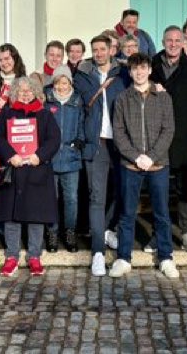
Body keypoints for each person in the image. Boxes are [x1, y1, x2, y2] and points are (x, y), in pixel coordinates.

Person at [108, 53, 179, 278]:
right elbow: (118, 133)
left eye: (143, 68)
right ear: (130, 72)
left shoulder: (163, 97)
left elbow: (168, 130)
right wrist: (135, 156)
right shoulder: (122, 99)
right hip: (130, 165)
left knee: (161, 213)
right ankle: (123, 257)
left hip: (158, 164)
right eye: (135, 69)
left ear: (149, 70)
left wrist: (152, 156)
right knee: (127, 213)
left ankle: (166, 257)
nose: (139, 72)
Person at [0, 76, 61, 277]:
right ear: (14, 92)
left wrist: (39, 156)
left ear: (36, 92)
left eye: (29, 90)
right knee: (11, 218)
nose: (25, 93)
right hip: (13, 171)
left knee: (35, 218)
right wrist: (9, 155)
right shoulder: (7, 113)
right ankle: (11, 256)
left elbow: (54, 139)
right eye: (21, 90)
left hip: (36, 171)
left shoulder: (45, 114)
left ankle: (34, 256)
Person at [150, 26, 187, 255]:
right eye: (169, 40)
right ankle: (159, 233)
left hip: (185, 135)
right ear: (163, 41)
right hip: (156, 136)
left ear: (184, 43)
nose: (173, 44)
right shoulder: (152, 65)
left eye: (177, 40)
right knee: (159, 187)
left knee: (185, 187)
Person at [73, 35, 129, 276]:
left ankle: (104, 229)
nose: (98, 53)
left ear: (110, 50)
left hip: (122, 143)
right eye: (94, 50)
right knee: (97, 196)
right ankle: (97, 251)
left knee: (122, 192)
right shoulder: (83, 77)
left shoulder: (123, 75)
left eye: (102, 49)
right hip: (96, 144)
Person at [44, 65, 85, 253]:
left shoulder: (77, 101)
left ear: (70, 83)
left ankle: (70, 232)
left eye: (65, 82)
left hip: (70, 157)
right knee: (51, 198)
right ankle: (52, 232)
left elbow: (82, 124)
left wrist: (79, 141)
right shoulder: (47, 100)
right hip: (50, 158)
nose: (61, 87)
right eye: (58, 82)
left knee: (71, 199)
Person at [0, 43, 26, 109]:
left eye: (7, 58)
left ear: (15, 59)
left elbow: (27, 110)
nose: (4, 63)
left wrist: (5, 107)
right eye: (0, 60)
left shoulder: (25, 83)